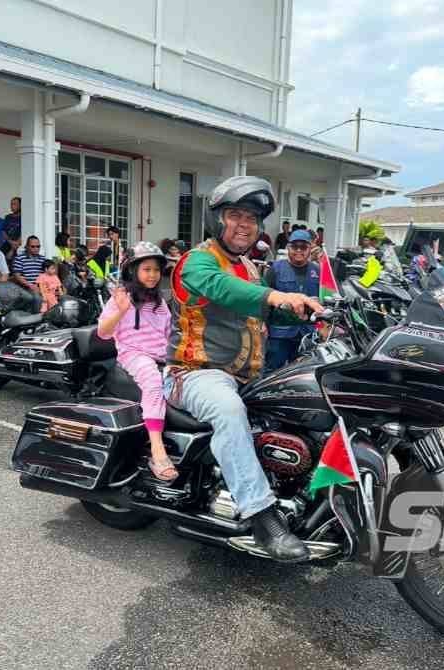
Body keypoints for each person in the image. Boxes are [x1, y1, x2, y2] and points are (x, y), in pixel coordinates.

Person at [164, 176, 322, 562]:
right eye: (235, 215)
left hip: (248, 376)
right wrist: (278, 295)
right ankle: (262, 516)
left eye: (251, 218)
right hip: (195, 373)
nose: (244, 224)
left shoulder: (251, 266)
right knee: (229, 410)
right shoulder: (197, 262)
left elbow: (273, 296)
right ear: (216, 219)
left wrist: (341, 301)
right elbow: (224, 290)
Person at [97, 242, 175, 481]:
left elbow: (169, 333)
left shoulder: (159, 302)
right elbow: (103, 332)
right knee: (152, 381)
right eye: (147, 269)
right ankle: (157, 450)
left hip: (162, 356)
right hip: (134, 354)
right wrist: (121, 310)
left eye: (156, 270)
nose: (152, 275)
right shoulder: (121, 298)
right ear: (132, 271)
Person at [264, 230, 319, 372]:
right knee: (272, 372)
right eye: (295, 247)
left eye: (304, 247)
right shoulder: (275, 269)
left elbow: (324, 301)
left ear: (310, 249)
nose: (299, 250)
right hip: (280, 334)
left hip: (307, 334)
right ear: (288, 248)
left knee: (303, 374)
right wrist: (261, 325)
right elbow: (263, 299)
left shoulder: (318, 271)